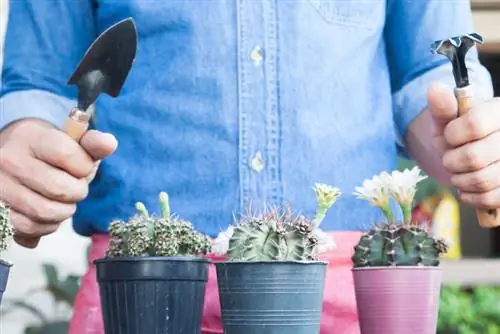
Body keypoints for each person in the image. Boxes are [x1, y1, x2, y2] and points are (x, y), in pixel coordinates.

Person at [1, 1, 498, 333]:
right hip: (143, 293)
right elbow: (36, 81)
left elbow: (426, 69)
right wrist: (26, 140)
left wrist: (463, 140)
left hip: (354, 299)